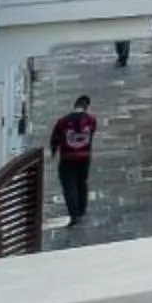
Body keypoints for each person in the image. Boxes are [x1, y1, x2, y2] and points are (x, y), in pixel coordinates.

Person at [49, 94, 100, 225]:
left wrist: (54, 151)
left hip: (67, 157)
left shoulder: (63, 121)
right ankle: (82, 208)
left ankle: (74, 212)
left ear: (75, 105)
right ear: (86, 107)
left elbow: (55, 138)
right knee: (82, 182)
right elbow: (92, 132)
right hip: (84, 157)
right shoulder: (91, 120)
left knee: (69, 185)